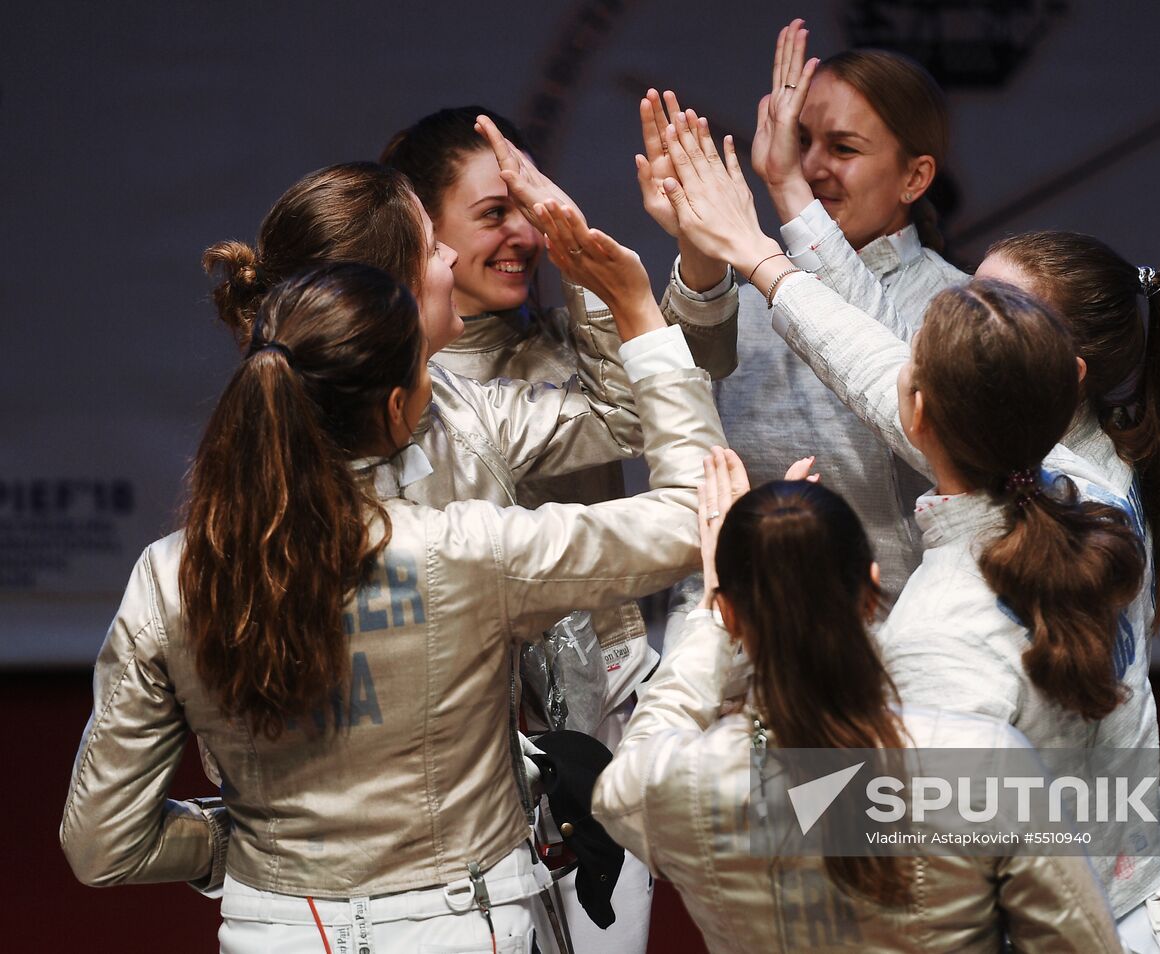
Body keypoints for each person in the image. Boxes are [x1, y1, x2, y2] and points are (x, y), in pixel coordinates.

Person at [60, 211, 724, 951]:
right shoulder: (465, 550)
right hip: (466, 928)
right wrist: (636, 309)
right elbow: (692, 517)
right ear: (396, 409)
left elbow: (102, 843)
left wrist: (235, 844)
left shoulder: (170, 575)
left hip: (272, 931)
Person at [656, 111, 1160, 952]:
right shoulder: (1093, 493)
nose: (938, 321)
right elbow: (880, 353)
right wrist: (769, 236)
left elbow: (871, 841)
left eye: (986, 313)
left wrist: (766, 627)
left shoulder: (941, 630)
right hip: (1157, 919)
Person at [591, 452, 1123, 953]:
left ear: (731, 614)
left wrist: (710, 617)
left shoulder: (679, 786)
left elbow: (626, 778)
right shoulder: (980, 761)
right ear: (871, 589)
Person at [382, 107, 661, 953]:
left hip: (609, 700)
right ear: (423, 234)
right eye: (495, 213)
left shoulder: (577, 336)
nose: (525, 236)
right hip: (465, 731)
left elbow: (640, 414)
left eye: (530, 209)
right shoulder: (388, 391)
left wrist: (589, 270)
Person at [640, 20, 965, 607]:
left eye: (842, 148)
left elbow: (921, 419)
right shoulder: (754, 284)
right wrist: (696, 244)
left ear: (915, 177)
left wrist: (784, 186)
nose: (810, 165)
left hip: (890, 654)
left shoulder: (958, 306)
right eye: (802, 141)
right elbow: (677, 409)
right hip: (742, 638)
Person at [203, 161, 643, 513]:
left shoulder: (463, 411)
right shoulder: (271, 478)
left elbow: (616, 417)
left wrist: (583, 260)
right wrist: (622, 288)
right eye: (432, 248)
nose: (450, 256)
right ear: (384, 292)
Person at [978, 232, 1160, 631]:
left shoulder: (1078, 499)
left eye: (990, 320)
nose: (954, 326)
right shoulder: (1083, 441)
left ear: (1062, 374)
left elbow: (876, 379)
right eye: (965, 299)